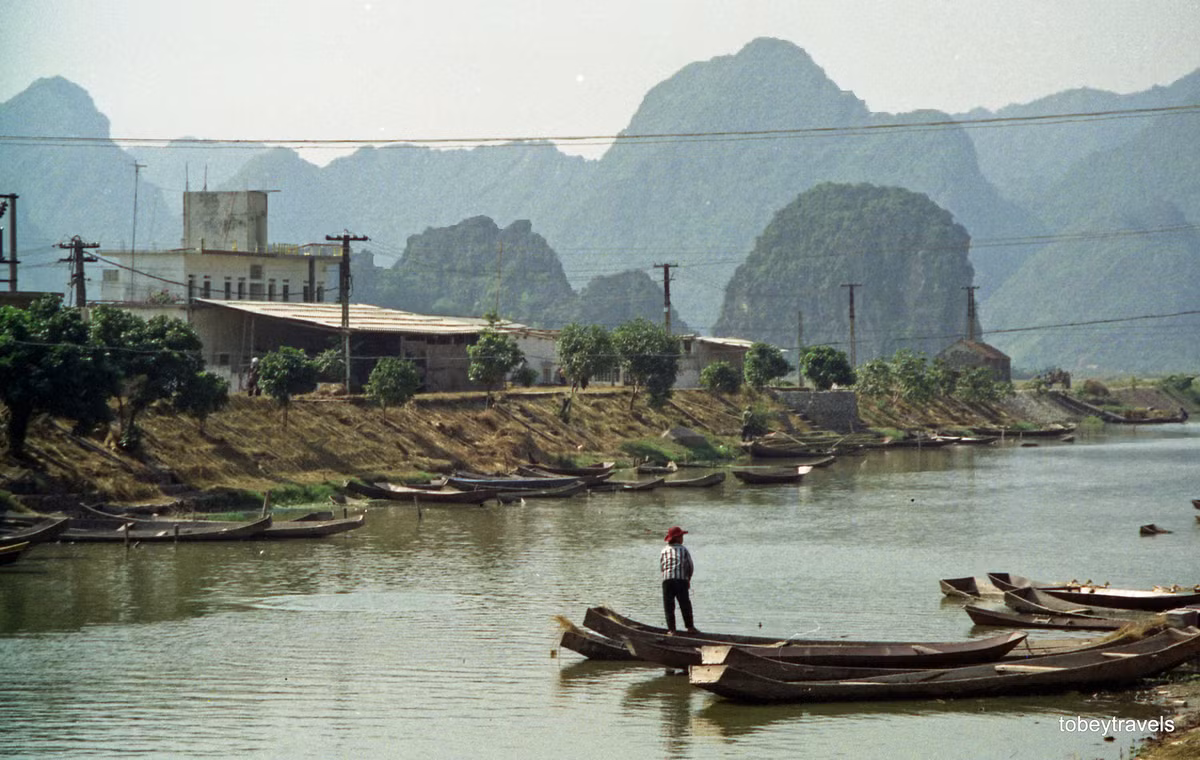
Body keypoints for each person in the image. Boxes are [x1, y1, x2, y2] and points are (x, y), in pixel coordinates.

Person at [660, 525, 698, 635]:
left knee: (669, 606)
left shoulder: (664, 551)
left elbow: (662, 566)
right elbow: (690, 566)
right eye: (681, 536)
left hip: (667, 580)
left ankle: (672, 630)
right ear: (677, 538)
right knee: (685, 604)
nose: (682, 538)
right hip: (680, 580)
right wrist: (688, 579)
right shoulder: (683, 550)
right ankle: (690, 628)